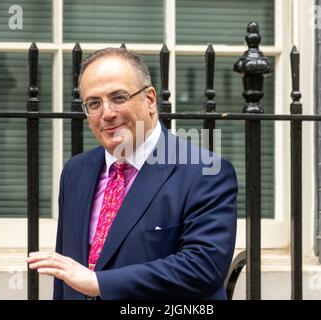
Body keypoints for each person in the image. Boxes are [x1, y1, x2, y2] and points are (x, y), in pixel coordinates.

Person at [27, 48, 238, 300]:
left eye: (118, 97)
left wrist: (100, 283)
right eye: (93, 103)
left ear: (150, 99)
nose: (106, 113)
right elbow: (67, 276)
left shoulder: (205, 171)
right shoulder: (75, 171)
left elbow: (203, 268)